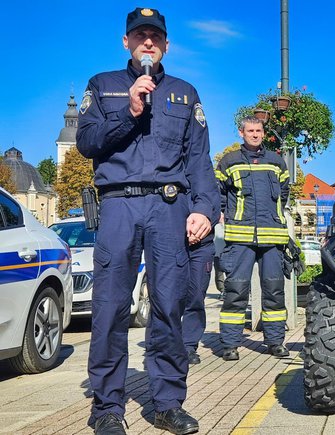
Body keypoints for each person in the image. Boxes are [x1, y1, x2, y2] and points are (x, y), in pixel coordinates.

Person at [76, 7, 219, 434]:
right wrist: (130, 111)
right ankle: (106, 407)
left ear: (167, 44)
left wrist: (204, 209)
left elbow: (199, 160)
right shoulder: (103, 86)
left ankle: (167, 403)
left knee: (168, 306)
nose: (148, 42)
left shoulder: (184, 92)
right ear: (126, 42)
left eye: (155, 36)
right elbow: (86, 142)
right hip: (119, 204)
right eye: (140, 35)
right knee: (110, 307)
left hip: (169, 208)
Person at [215, 116, 291, 361]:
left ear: (263, 133)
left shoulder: (276, 162)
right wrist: (224, 215)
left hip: (272, 237)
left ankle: (275, 342)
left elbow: (284, 193)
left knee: (274, 291)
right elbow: (219, 194)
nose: (255, 134)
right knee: (235, 290)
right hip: (240, 237)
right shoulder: (228, 162)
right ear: (241, 132)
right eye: (251, 130)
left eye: (259, 130)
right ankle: (229, 344)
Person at [182, 231, 216, 365]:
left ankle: (188, 345)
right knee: (169, 299)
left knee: (196, 297)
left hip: (201, 245)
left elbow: (215, 211)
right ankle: (166, 345)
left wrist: (198, 231)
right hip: (170, 244)